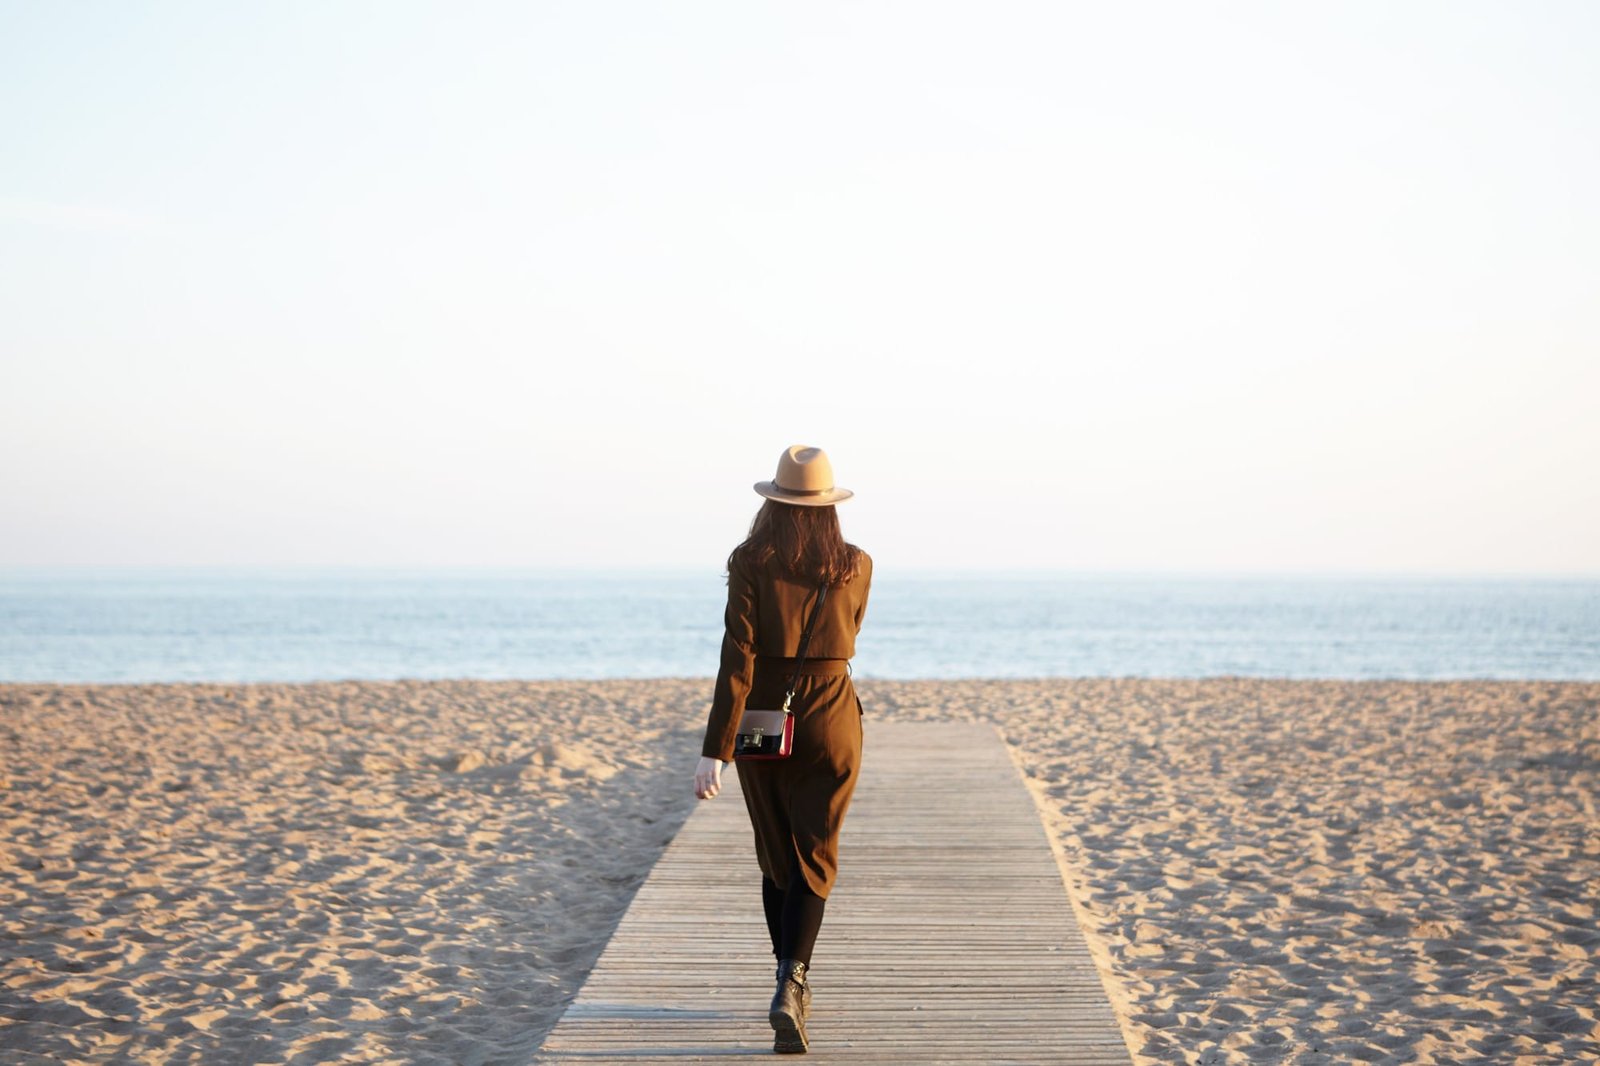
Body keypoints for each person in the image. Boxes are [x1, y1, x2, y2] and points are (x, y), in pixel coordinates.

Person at [693, 444, 872, 1056]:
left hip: (765, 714)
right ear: (829, 506)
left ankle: (785, 982)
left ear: (773, 502)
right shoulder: (856, 563)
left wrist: (715, 749)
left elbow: (737, 656)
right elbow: (851, 633)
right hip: (834, 716)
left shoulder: (750, 560)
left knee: (776, 854)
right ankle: (792, 983)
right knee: (815, 854)